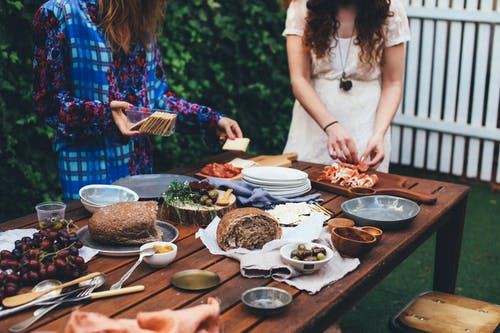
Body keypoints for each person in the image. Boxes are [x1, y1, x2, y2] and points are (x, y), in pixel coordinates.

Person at [32, 0, 243, 200]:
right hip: (90, 175)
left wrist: (210, 119)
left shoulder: (142, 22)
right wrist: (105, 115)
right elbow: (48, 103)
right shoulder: (59, 13)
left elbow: (156, 100)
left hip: (142, 176)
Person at [281, 0, 410, 171]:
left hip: (368, 124)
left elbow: (393, 83)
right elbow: (299, 79)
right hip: (314, 125)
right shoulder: (301, 8)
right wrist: (331, 126)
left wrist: (379, 133)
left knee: (362, 190)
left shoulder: (391, 10)